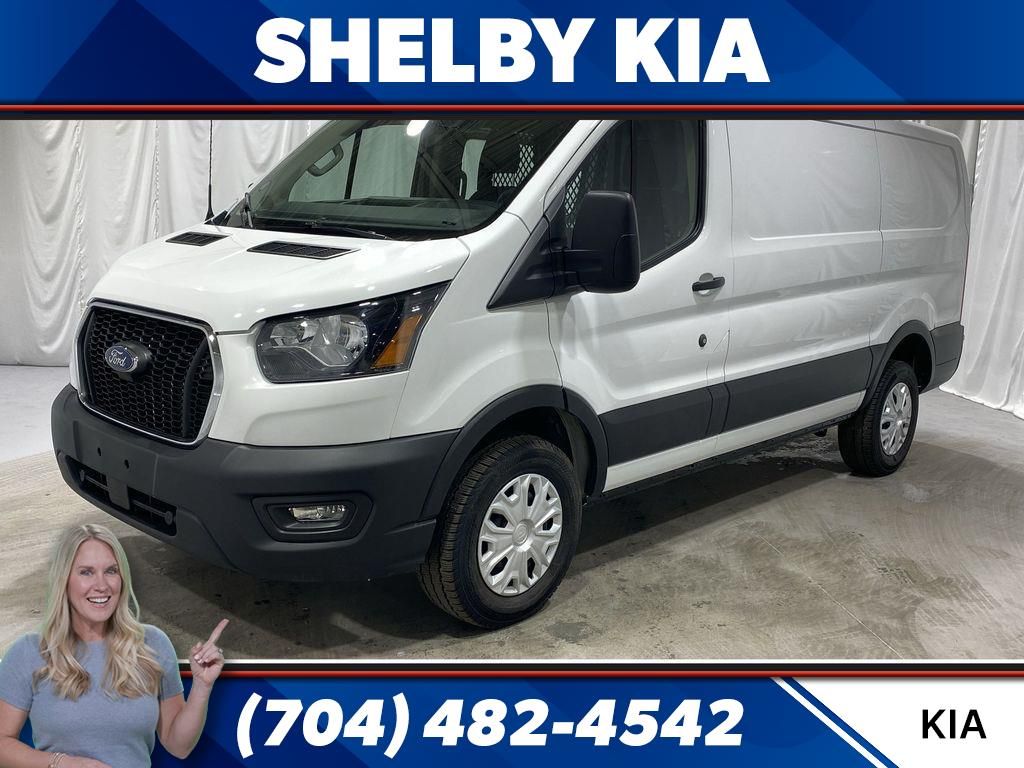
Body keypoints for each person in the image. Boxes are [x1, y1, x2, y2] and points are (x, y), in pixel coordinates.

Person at [0, 524, 228, 767]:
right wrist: (62, 763)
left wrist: (202, 687)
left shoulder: (152, 644)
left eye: (111, 571)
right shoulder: (28, 652)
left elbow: (179, 746)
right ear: (64, 580)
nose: (102, 585)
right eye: (86, 572)